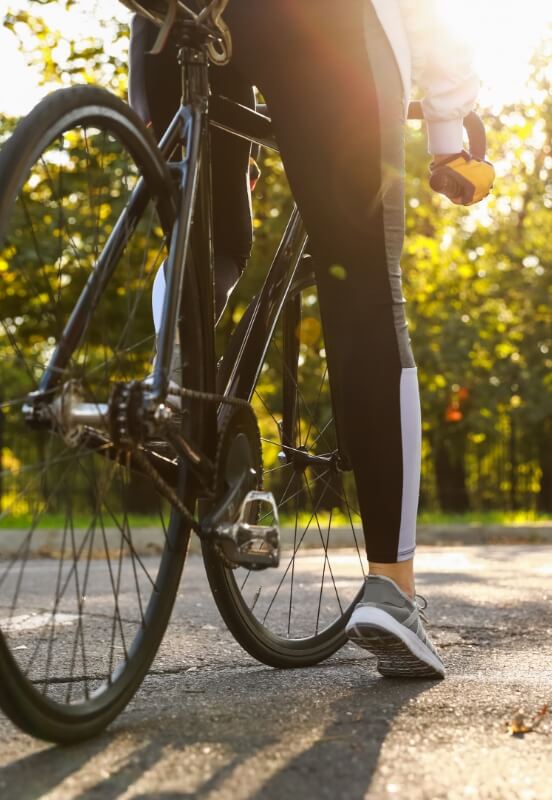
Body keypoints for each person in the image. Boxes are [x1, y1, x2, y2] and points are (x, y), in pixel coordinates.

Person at [128, 0, 495, 679]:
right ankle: (393, 591)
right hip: (326, 24)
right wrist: (448, 123)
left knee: (208, 245)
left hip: (170, 18)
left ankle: (177, 393)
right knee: (361, 285)